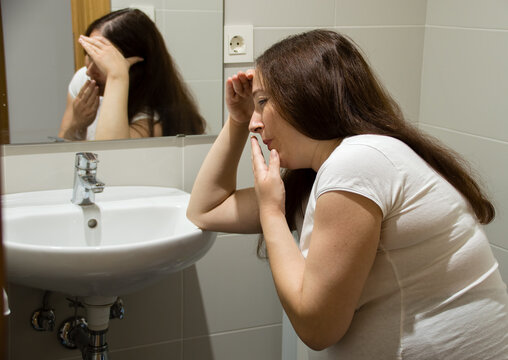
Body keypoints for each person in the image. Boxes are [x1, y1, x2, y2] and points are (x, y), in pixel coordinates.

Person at [187, 29, 508, 359]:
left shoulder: (358, 162)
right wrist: (237, 121)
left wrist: (271, 212)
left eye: (264, 102)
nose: (256, 123)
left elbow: (317, 329)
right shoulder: (321, 174)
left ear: (307, 96)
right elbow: (206, 210)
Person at [59, 8, 205, 141]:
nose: (89, 71)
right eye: (89, 55)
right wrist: (77, 125)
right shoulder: (83, 79)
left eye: (100, 62)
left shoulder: (152, 118)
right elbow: (60, 147)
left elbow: (112, 156)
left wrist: (117, 76)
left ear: (135, 68)